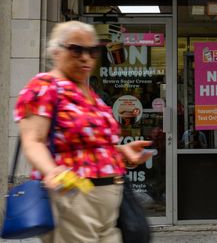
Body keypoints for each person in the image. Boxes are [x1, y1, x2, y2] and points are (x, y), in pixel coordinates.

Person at [14, 21, 153, 243]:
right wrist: (51, 171)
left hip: (109, 200)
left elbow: (90, 143)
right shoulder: (44, 86)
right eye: (76, 49)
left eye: (93, 51)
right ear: (56, 51)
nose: (86, 57)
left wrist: (121, 152)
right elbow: (33, 141)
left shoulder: (86, 91)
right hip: (73, 199)